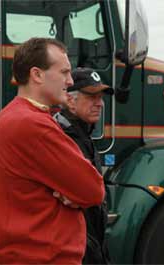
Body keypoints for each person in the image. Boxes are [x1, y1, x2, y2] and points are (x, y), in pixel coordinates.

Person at [0, 38, 105, 264]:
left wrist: (71, 191)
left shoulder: (14, 115)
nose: (70, 81)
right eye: (64, 72)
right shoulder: (33, 124)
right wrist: (73, 193)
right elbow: (93, 189)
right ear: (37, 75)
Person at [54, 67, 113, 264]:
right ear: (70, 101)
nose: (100, 104)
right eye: (92, 97)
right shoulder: (63, 139)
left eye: (101, 97)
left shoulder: (82, 135)